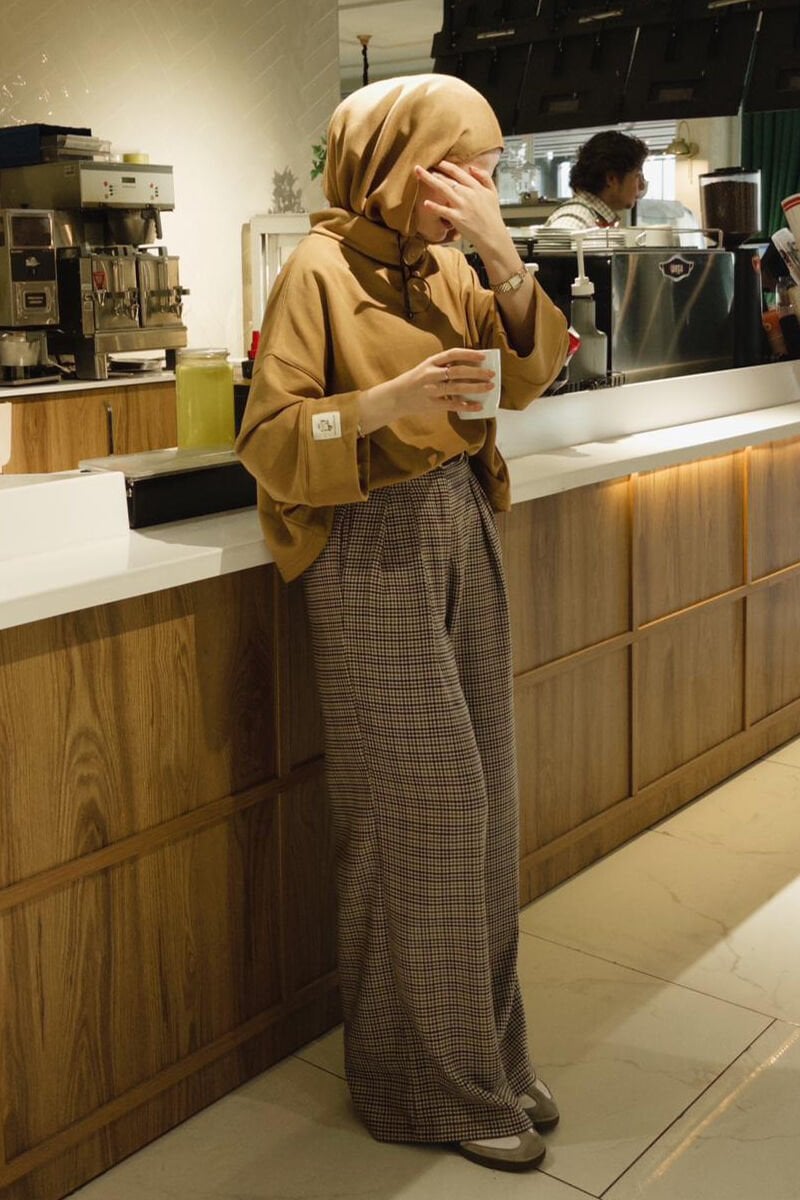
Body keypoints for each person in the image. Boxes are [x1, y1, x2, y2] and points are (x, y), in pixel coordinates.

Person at [236, 73, 569, 1174]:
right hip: (368, 543)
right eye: (454, 168)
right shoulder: (317, 269)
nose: (473, 188)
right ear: (388, 167)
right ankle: (424, 1082)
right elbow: (269, 442)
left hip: (460, 520)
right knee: (424, 813)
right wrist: (387, 403)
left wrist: (501, 249)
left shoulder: (452, 266)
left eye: (486, 170)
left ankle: (489, 1056)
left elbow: (530, 378)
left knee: (486, 806)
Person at [544, 129, 649, 229]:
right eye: (637, 176)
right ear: (611, 179)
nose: (641, 186)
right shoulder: (575, 220)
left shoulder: (594, 218)